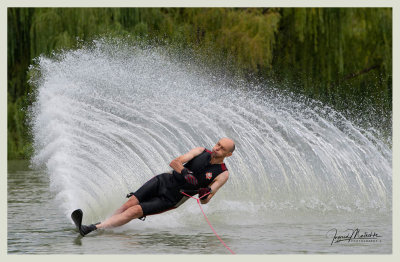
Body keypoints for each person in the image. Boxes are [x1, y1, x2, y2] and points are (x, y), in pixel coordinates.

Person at [73, 137, 235, 236]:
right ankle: (105, 225)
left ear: (228, 155)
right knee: (129, 204)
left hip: (173, 198)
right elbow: (174, 162)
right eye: (218, 144)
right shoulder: (201, 151)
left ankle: (92, 228)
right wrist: (185, 172)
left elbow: (206, 200)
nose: (217, 148)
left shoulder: (223, 174)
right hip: (163, 181)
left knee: (134, 211)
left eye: (222, 149)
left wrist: (205, 192)